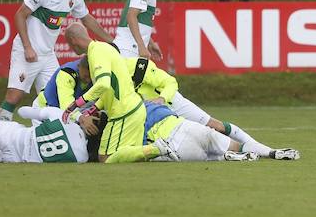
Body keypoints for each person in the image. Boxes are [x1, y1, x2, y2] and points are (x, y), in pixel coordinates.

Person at [0, 0, 113, 121]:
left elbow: (87, 19)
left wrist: (111, 41)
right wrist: (28, 47)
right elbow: (19, 15)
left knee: (54, 97)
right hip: (27, 52)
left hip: (48, 55)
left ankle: (43, 139)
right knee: (14, 97)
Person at [124, 56, 298, 159]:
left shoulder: (136, 66)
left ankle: (269, 151)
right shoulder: (103, 82)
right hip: (156, 119)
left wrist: (162, 98)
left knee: (216, 127)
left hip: (172, 103)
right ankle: (230, 156)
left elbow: (170, 82)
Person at [105, 100, 299, 163]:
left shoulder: (129, 118)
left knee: (204, 157)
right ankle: (271, 152)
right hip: (191, 127)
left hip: (174, 143)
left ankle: (225, 158)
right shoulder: (155, 104)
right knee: (237, 145)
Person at [63, 23, 146, 161]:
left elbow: (103, 84)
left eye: (69, 43)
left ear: (73, 40)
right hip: (134, 108)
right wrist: (94, 109)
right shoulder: (104, 48)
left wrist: (76, 104)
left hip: (123, 113)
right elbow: (110, 88)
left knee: (105, 157)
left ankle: (155, 149)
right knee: (132, 159)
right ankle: (154, 150)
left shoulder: (97, 52)